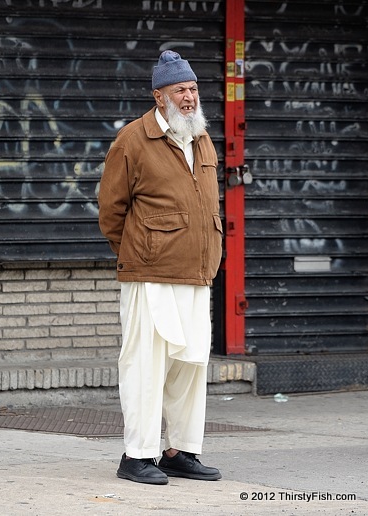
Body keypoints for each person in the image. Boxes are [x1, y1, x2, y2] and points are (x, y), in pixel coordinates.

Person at [98, 50, 223, 485]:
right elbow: (111, 213)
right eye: (179, 90)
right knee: (145, 365)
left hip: (196, 272)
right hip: (150, 275)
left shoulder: (202, 137)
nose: (189, 97)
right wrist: (141, 250)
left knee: (190, 367)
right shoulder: (132, 139)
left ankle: (180, 451)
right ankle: (137, 456)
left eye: (192, 89)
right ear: (159, 95)